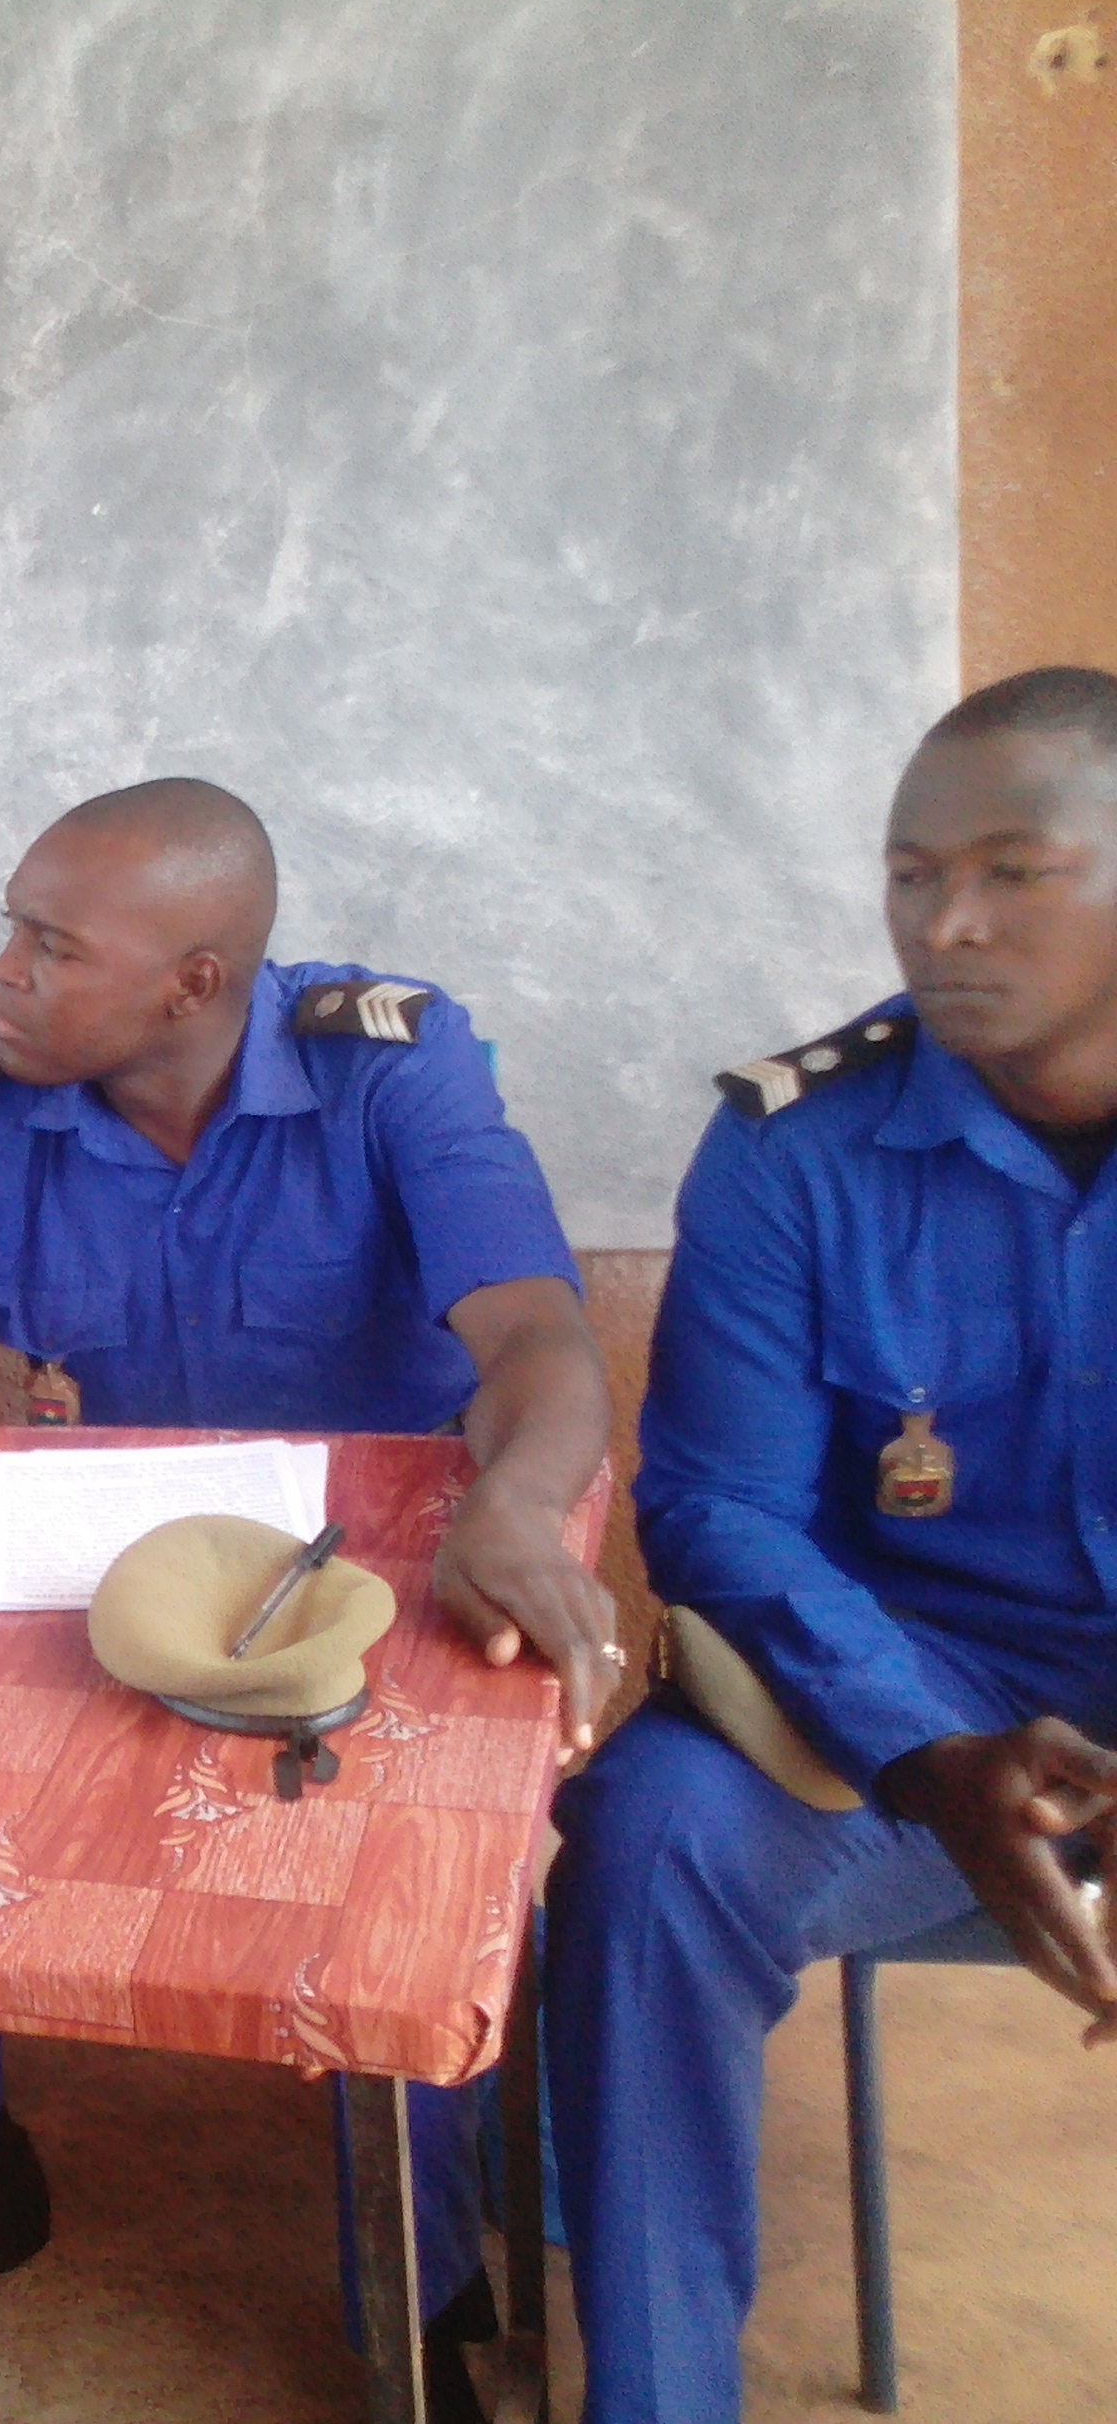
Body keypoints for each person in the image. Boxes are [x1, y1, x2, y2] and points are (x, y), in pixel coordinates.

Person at [0, 780, 617, 2395]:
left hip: (368, 1562)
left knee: (411, 1870)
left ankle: (417, 2269)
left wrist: (517, 1499)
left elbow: (535, 1336)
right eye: (8, 926)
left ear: (190, 982)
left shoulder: (386, 1070)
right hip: (107, 1550)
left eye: (46, 944)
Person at [552, 667, 1117, 2424]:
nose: (941, 921)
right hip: (895, 1700)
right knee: (644, 1841)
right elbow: (715, 1508)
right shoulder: (792, 1152)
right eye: (905, 871)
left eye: (1012, 871)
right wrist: (925, 1748)